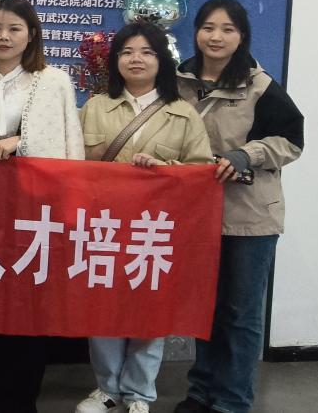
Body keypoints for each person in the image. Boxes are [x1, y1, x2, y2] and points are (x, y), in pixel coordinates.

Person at [0, 0, 84, 413]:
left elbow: (64, 144)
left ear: (32, 34)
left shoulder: (53, 80)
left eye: (14, 29)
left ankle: (16, 397)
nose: (4, 37)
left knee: (25, 297)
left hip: (30, 208)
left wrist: (18, 143)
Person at [172, 0, 303, 413]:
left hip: (250, 217)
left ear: (241, 36)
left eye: (227, 29)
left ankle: (232, 400)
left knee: (241, 314)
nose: (216, 37)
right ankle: (201, 392)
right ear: (196, 32)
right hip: (197, 217)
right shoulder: (179, 83)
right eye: (208, 27)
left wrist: (248, 154)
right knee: (205, 309)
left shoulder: (260, 86)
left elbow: (291, 141)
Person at [75, 21, 211, 413]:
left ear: (161, 60)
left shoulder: (183, 113)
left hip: (157, 229)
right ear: (116, 60)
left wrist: (166, 169)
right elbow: (71, 165)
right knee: (102, 308)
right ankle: (106, 389)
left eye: (147, 52)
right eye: (127, 52)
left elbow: (202, 172)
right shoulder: (95, 108)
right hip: (103, 226)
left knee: (150, 310)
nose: (136, 59)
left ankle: (139, 393)